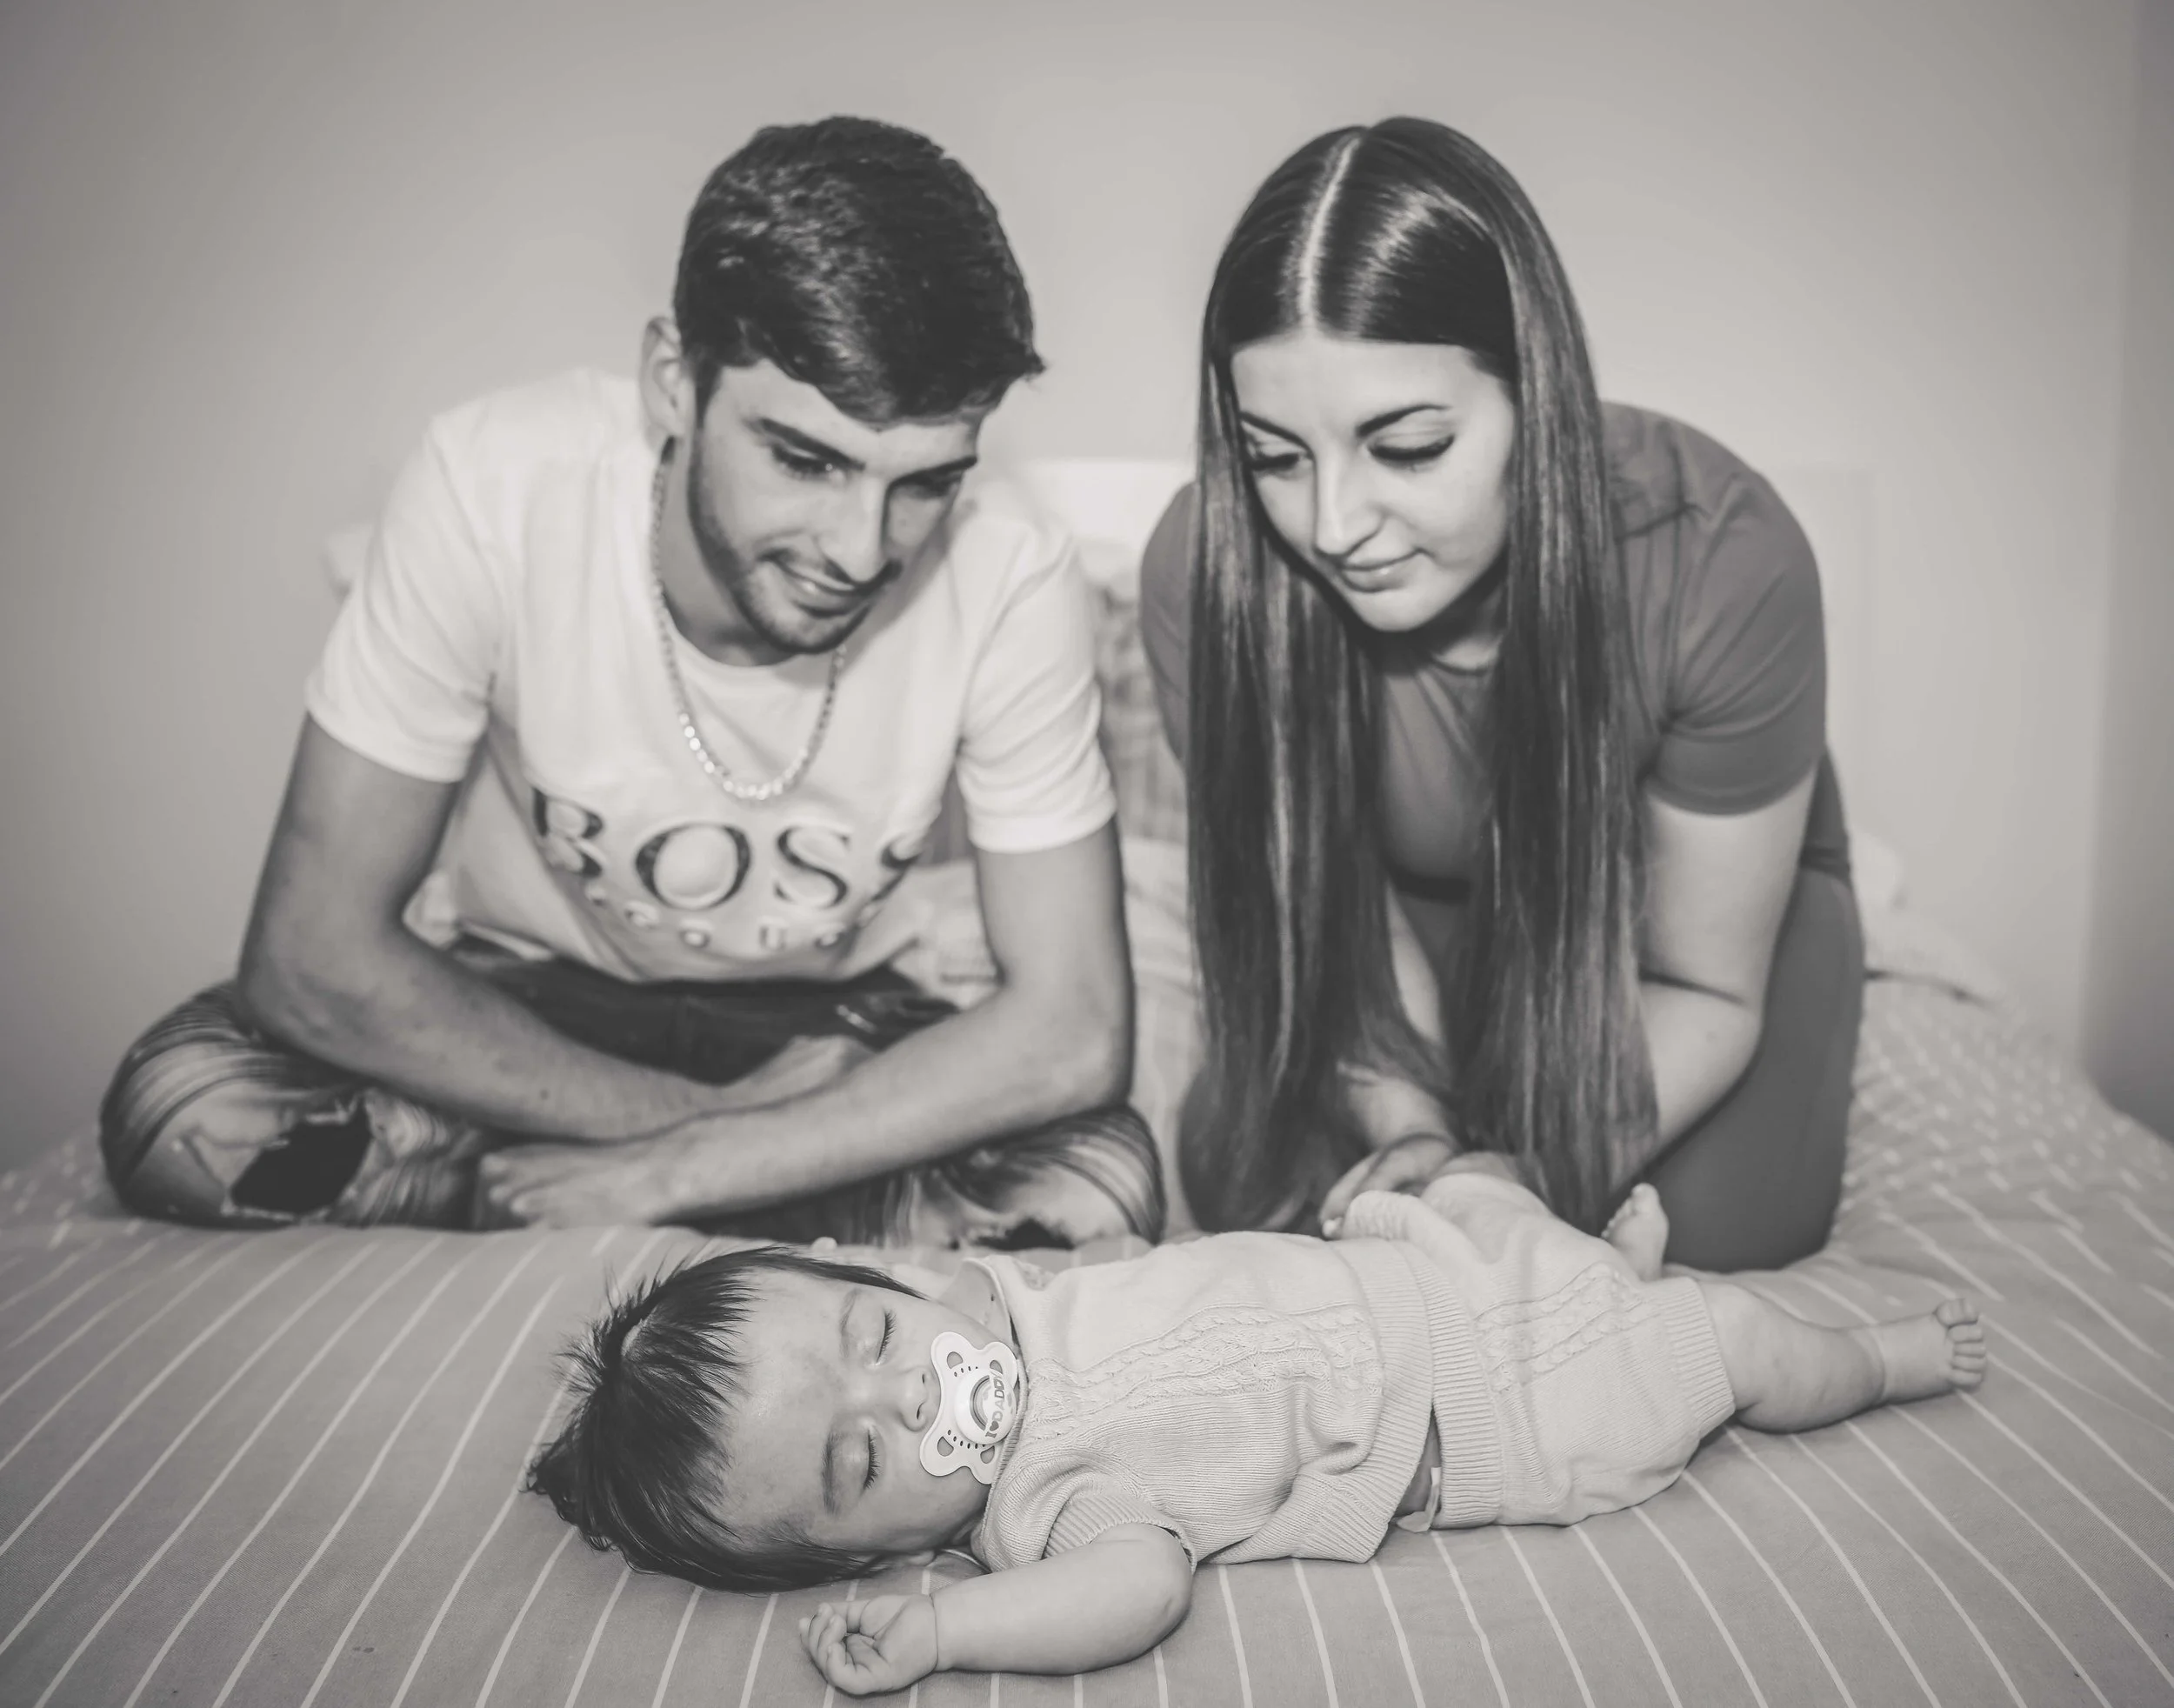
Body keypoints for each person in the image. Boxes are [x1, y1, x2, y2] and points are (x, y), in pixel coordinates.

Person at [96, 117, 1160, 1249]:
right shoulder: (494, 488)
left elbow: (1074, 1027)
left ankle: (566, 1190)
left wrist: (684, 1169)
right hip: (533, 1002)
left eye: (924, 485)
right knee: (189, 1111)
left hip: (835, 1029)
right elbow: (309, 954)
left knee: (1095, 1190)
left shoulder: (1010, 568)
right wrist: (712, 1132)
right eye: (806, 460)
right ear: (671, 381)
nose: (859, 549)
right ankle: (767, 1195)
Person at [1137, 117, 1861, 1268]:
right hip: (1399, 916)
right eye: (1275, 455)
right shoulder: (1206, 572)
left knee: (1714, 1236)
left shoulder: (1727, 558)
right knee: (1260, 1195)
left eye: (1409, 446)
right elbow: (1325, 915)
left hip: (1667, 932)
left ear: (1540, 396)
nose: (1332, 526)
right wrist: (1416, 1129)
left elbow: (1705, 984)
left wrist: (1514, 1180)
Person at [526, 1164, 1986, 1696]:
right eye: (862, 1463)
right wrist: (950, 1635)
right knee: (1730, 1348)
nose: (906, 1395)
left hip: (1423, 1273)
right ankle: (1874, 1354)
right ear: (864, 1554)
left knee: (1471, 1174)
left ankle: (1593, 1258)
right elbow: (1141, 1592)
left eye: (871, 1336)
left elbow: (937, 1282)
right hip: (1492, 1409)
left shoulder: (999, 1298)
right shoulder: (1041, 1506)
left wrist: (926, 1282)